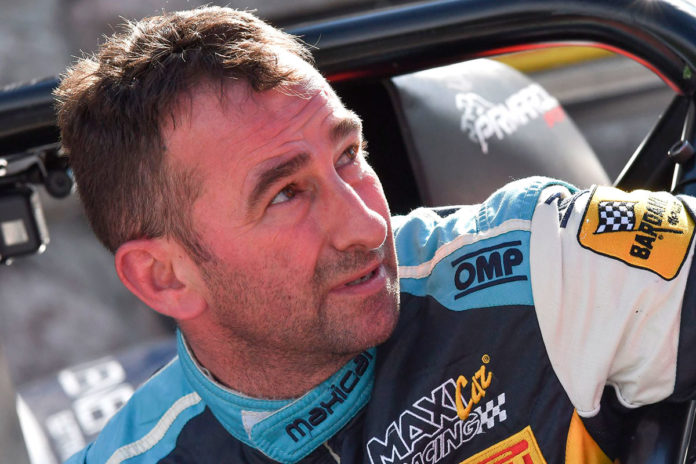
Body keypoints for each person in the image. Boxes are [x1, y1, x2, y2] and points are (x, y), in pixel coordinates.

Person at [55, 6, 696, 464]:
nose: (366, 225)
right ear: (163, 277)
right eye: (285, 194)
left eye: (347, 156)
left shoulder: (535, 265)